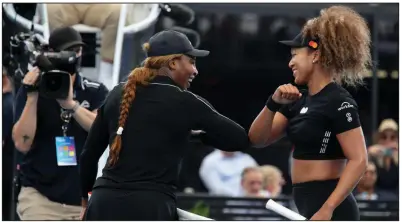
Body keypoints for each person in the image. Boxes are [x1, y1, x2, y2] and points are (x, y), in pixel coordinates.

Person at [79, 30, 250, 220]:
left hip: (104, 203)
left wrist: (85, 200)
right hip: (150, 207)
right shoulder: (185, 101)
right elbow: (239, 139)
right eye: (192, 62)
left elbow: (89, 154)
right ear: (173, 62)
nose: (196, 71)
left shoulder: (117, 93)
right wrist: (199, 136)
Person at [248, 6, 370, 221]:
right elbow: (258, 140)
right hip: (305, 203)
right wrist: (272, 103)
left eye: (295, 55)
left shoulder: (338, 100)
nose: (290, 62)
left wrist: (328, 208)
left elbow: (359, 159)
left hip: (332, 209)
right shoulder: (296, 100)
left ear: (315, 55)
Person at [12, 27, 109, 220]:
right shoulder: (34, 89)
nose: (73, 56)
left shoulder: (95, 90)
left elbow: (102, 128)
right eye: (67, 51)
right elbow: (22, 143)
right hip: (39, 196)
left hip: (80, 200)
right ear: (52, 53)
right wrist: (32, 96)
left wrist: (71, 106)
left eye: (77, 51)